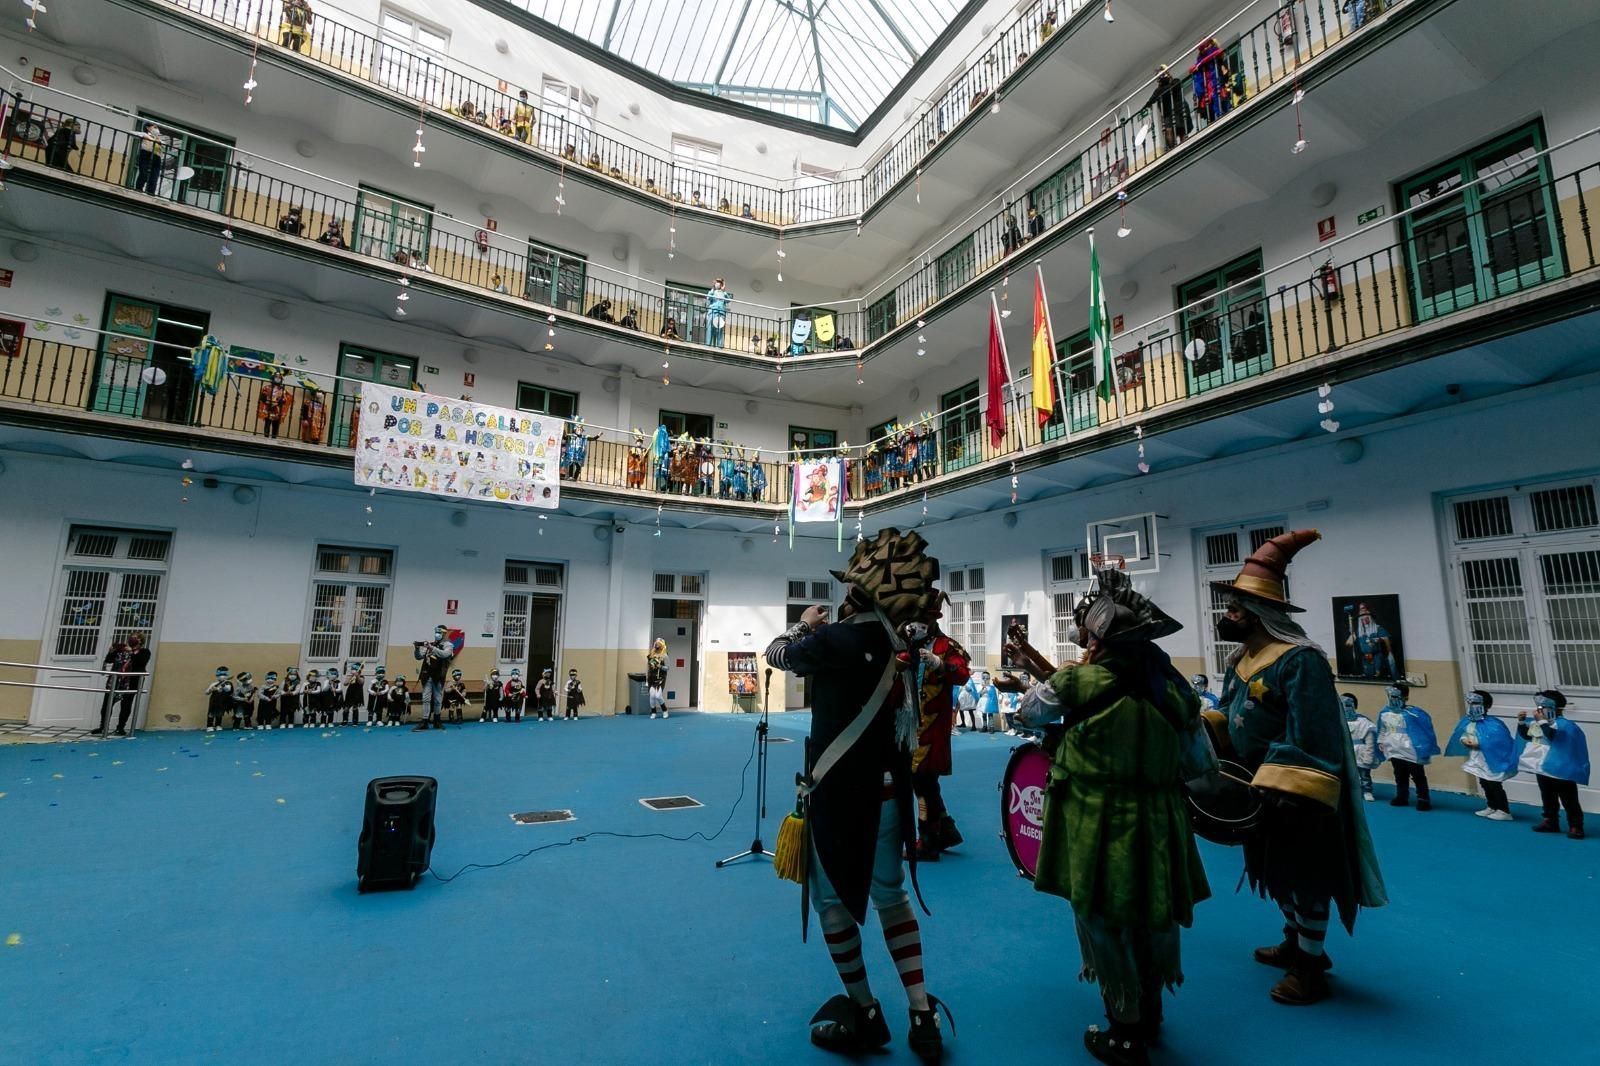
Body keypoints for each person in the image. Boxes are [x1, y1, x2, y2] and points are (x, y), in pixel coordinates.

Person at [1005, 569, 1210, 1064]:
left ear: (1098, 641)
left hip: (1095, 815)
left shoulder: (1078, 680)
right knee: (1150, 911)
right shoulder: (1176, 693)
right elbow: (1199, 763)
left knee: (1102, 914)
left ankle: (1124, 1027)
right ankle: (1150, 1006)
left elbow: (1027, 714)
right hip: (1160, 815)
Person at [764, 527, 949, 1062]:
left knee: (832, 903)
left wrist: (802, 625)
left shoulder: (836, 640)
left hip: (839, 794)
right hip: (890, 792)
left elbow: (778, 654)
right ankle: (921, 1013)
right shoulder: (905, 646)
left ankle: (866, 1010)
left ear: (855, 593)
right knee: (891, 897)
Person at [1211, 529, 1386, 1006]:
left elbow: (1312, 732)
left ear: (1258, 613)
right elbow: (1228, 712)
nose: (1226, 616)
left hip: (1295, 793)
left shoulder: (1300, 661)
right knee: (1277, 870)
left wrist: (1284, 785)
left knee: (1307, 874)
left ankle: (1311, 964)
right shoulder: (1240, 658)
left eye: (1233, 609)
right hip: (1254, 785)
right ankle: (1294, 940)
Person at [904, 607, 970, 862]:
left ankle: (927, 842)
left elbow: (962, 675)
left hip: (931, 728)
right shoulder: (906, 644)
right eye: (912, 619)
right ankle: (945, 831)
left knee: (921, 781)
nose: (916, 624)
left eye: (922, 620)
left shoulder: (946, 645)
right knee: (924, 783)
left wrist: (940, 663)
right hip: (907, 724)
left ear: (932, 621)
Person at [1517, 690, 1589, 839]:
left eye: (1542, 707)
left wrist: (1542, 721)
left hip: (1560, 767)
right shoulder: (1537, 723)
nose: (1539, 710)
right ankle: (1550, 821)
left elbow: (1552, 735)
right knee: (1547, 795)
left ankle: (1576, 825)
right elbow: (1526, 735)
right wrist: (1522, 723)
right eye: (1538, 707)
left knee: (1569, 798)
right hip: (1541, 766)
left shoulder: (1565, 725)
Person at [1445, 690, 1517, 820]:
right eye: (1470, 703)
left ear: (1487, 706)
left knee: (1494, 784)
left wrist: (1480, 744)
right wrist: (1464, 741)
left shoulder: (1494, 724)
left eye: (1476, 703)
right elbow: (1464, 734)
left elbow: (1500, 741)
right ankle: (1492, 806)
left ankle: (1504, 810)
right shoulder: (1469, 721)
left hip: (1492, 759)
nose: (1472, 706)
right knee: (1484, 782)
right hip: (1478, 758)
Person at [1377, 682, 1438, 809]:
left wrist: (1423, 747)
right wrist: (1381, 741)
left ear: (1405, 697)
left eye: (1397, 697)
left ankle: (1423, 798)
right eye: (1391, 697)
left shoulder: (1413, 714)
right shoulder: (1385, 714)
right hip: (1393, 747)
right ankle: (1402, 796)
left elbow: (1423, 731)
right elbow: (1383, 729)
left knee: (1417, 774)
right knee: (1399, 774)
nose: (1393, 700)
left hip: (1410, 747)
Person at [93, 633, 151, 736]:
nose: (131, 640)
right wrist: (111, 652)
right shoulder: (121, 650)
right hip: (115, 680)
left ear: (141, 641)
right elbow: (109, 660)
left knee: (126, 705)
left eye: (135, 638)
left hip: (131, 682)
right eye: (131, 637)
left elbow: (140, 663)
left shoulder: (144, 652)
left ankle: (120, 728)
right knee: (107, 704)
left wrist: (132, 652)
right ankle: (103, 726)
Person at [412, 625, 455, 731]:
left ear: (444, 634)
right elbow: (419, 657)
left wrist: (432, 648)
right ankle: (425, 721)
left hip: (439, 676)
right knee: (426, 698)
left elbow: (444, 654)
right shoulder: (431, 645)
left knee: (437, 699)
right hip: (427, 675)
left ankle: (437, 720)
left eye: (439, 633)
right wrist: (417, 648)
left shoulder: (448, 645)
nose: (437, 634)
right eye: (436, 632)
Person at [1342, 694, 1381, 802]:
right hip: (1346, 751)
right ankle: (1349, 791)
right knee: (1346, 774)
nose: (1346, 708)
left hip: (1360, 752)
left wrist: (1369, 756)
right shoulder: (1339, 721)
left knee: (1364, 774)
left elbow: (1370, 742)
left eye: (1349, 705)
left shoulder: (1364, 723)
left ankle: (1367, 790)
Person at [1146, 65, 1193, 151]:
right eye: (1159, 76)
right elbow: (1151, 100)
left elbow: (1174, 88)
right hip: (1167, 114)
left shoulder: (1175, 81)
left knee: (1182, 130)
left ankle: (1185, 147)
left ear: (1167, 73)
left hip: (1179, 110)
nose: (1162, 77)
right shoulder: (1158, 90)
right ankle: (1172, 150)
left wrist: (1161, 92)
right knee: (1169, 131)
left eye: (1163, 74)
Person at [132, 123, 164, 196]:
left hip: (157, 157)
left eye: (157, 127)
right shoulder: (144, 134)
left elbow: (163, 145)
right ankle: (139, 189)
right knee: (143, 174)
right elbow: (133, 133)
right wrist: (148, 137)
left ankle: (151, 192)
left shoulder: (158, 139)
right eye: (154, 127)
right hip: (145, 154)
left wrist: (159, 142)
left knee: (154, 177)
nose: (156, 129)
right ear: (148, 128)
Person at [204, 667, 233, 733]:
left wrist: (223, 686)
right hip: (214, 701)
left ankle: (218, 725)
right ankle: (209, 726)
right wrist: (211, 689)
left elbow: (228, 689)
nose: (222, 676)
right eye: (220, 675)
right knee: (211, 713)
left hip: (222, 701)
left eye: (224, 675)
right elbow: (206, 692)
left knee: (220, 713)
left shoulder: (228, 683)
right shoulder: (213, 684)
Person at [646, 639, 669, 719]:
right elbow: (648, 667)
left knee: (658, 696)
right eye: (656, 643)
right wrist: (647, 677)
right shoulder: (651, 655)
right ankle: (653, 712)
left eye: (658, 644)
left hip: (660, 677)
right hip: (651, 677)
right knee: (652, 696)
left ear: (662, 645)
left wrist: (661, 666)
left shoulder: (665, 656)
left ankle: (665, 710)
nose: (656, 645)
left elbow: (667, 668)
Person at [705, 279, 731, 347]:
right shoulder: (713, 291)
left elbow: (728, 300)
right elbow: (708, 297)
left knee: (720, 330)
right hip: (713, 311)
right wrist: (712, 289)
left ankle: (719, 346)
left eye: (719, 283)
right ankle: (708, 344)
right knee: (710, 328)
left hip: (721, 312)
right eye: (717, 283)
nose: (718, 284)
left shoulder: (723, 293)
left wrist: (724, 291)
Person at [339, 661, 364, 725]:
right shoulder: (349, 676)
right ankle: (345, 720)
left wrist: (357, 676)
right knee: (346, 707)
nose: (353, 671)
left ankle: (355, 721)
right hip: (350, 692)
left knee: (355, 707)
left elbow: (361, 683)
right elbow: (345, 684)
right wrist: (350, 678)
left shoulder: (361, 676)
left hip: (357, 693)